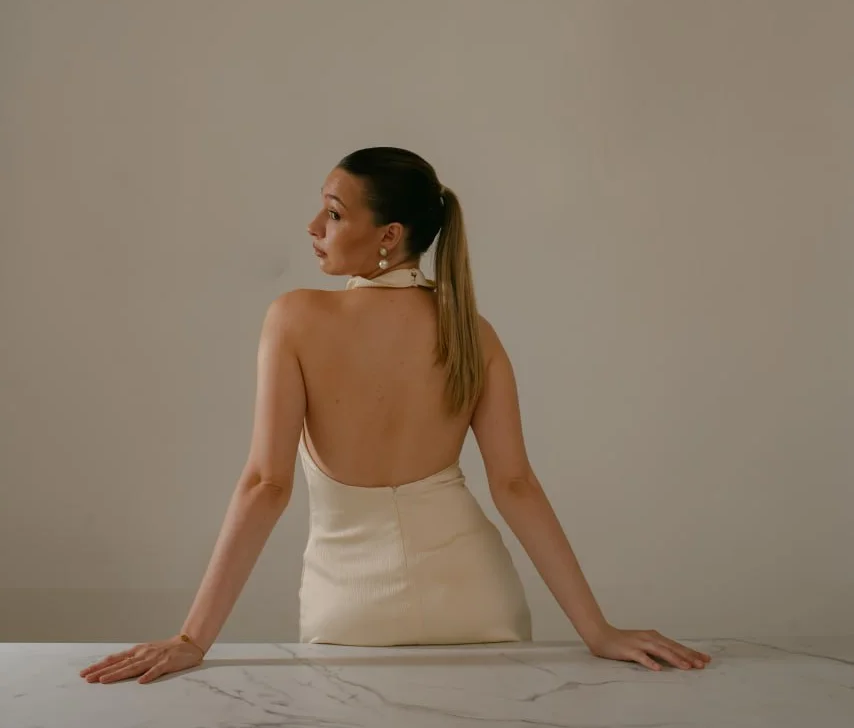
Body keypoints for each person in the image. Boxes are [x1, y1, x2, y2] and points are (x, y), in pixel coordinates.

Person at [80, 146, 711, 684]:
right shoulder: (472, 331)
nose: (313, 226)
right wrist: (596, 630)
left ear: (389, 235)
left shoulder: (294, 318)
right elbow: (516, 485)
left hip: (347, 610)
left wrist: (192, 639)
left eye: (333, 213)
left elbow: (266, 484)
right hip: (478, 601)